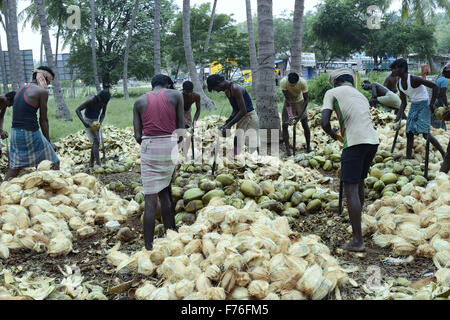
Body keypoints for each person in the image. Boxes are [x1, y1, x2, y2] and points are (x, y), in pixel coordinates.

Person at [321, 68, 380, 252]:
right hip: (372, 141)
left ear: (335, 82)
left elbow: (324, 122)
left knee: (351, 189)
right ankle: (358, 225)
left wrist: (332, 134)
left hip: (354, 143)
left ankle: (357, 241)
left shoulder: (332, 92)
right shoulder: (360, 94)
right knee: (359, 183)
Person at [133, 74, 184, 251]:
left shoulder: (139, 101)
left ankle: (148, 247)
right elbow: (181, 130)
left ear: (152, 84)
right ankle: (171, 237)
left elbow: (138, 136)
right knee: (165, 193)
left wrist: (150, 144)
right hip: (169, 145)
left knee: (150, 199)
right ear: (168, 84)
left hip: (149, 146)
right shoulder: (176, 95)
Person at [3, 66, 59, 181]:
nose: (48, 85)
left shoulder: (21, 89)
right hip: (29, 133)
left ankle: (2, 190)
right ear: (43, 79)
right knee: (54, 162)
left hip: (15, 133)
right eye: (49, 81)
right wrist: (48, 142)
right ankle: (55, 190)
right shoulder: (41, 92)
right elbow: (43, 119)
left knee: (14, 169)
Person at [390, 58, 445, 160]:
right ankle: (408, 157)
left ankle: (443, 153)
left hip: (424, 104)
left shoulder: (414, 79)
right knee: (409, 132)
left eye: (395, 68)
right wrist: (397, 118)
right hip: (414, 105)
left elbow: (434, 87)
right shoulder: (400, 84)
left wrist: (431, 104)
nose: (392, 71)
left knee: (425, 134)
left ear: (402, 68)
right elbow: (404, 103)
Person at [207, 74, 260, 155]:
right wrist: (227, 123)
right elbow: (235, 110)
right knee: (237, 141)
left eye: (216, 88)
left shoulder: (235, 88)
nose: (217, 91)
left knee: (252, 144)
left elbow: (243, 110)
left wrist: (229, 125)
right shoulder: (227, 91)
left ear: (219, 82)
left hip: (249, 117)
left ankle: (258, 162)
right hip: (242, 117)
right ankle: (237, 161)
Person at [75, 89, 111, 167]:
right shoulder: (91, 100)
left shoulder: (104, 101)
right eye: (102, 102)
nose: (103, 104)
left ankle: (91, 163)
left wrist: (100, 122)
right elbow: (77, 110)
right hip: (87, 120)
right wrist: (84, 123)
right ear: (99, 98)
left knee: (96, 142)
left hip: (95, 121)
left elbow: (103, 113)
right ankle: (98, 164)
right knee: (96, 141)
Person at [280, 72, 312, 155]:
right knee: (284, 124)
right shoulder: (283, 82)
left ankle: (308, 147)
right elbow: (287, 99)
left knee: (305, 123)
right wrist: (290, 115)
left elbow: (306, 100)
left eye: (294, 84)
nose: (293, 86)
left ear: (298, 81)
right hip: (289, 102)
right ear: (288, 80)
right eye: (291, 84)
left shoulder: (302, 82)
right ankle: (287, 149)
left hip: (300, 101)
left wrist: (299, 116)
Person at [436, 64, 450, 173]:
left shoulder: (440, 79)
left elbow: (443, 94)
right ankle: (441, 176)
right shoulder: (443, 79)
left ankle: (442, 175)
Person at [426, 65, 449, 130]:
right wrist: (447, 106)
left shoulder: (437, 77)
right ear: (448, 72)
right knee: (437, 124)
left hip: (431, 102)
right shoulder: (444, 80)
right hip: (437, 104)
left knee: (433, 121)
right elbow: (443, 94)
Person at [0, 91, 16, 158]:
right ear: (8, 99)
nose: (10, 106)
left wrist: (1, 131)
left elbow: (1, 117)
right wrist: (0, 131)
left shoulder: (5, 104)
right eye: (11, 104)